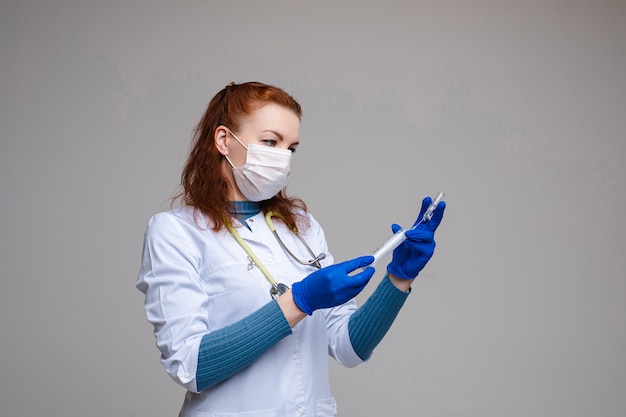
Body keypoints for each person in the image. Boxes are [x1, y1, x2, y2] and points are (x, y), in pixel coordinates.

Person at [136, 81, 446, 417]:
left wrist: (398, 279)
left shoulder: (301, 226)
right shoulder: (175, 232)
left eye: (291, 148)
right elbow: (190, 365)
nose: (282, 158)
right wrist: (300, 300)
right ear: (224, 140)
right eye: (270, 142)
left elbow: (348, 347)